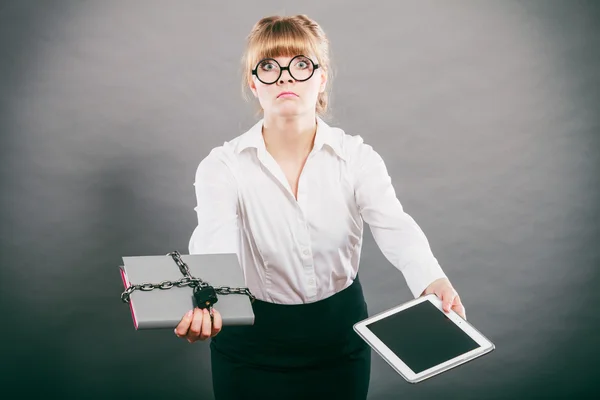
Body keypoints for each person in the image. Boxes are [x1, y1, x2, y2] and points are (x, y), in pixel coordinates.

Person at [174, 14, 467, 400]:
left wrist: (434, 280)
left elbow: (395, 225)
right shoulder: (221, 166)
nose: (284, 77)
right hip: (248, 347)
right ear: (253, 82)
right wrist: (210, 300)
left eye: (300, 64)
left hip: (339, 340)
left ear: (322, 77)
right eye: (268, 66)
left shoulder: (357, 157)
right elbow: (215, 240)